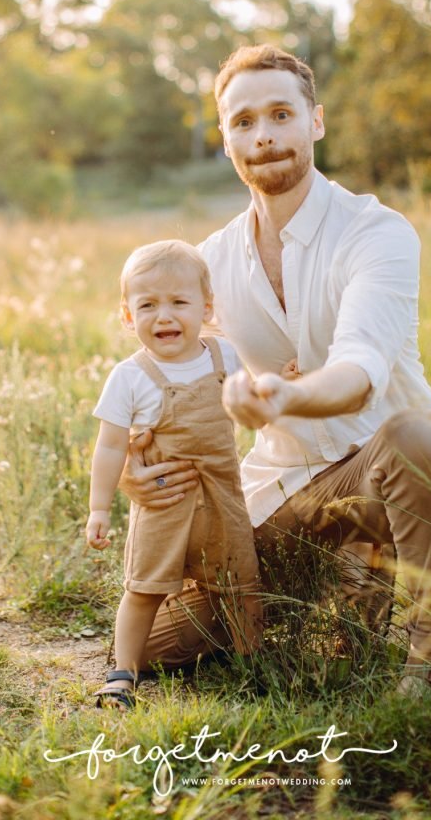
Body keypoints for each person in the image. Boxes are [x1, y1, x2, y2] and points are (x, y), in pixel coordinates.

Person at [120, 44, 431, 702]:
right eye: (243, 122)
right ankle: (338, 585)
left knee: (419, 436)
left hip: (384, 479)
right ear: (226, 138)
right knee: (149, 649)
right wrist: (135, 462)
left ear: (314, 121)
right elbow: (167, 380)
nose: (263, 135)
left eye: (281, 114)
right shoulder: (209, 263)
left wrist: (286, 393)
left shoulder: (376, 234)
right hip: (284, 494)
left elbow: (357, 372)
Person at [86, 239, 262, 709]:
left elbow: (255, 407)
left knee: (240, 582)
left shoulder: (225, 359)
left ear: (206, 309)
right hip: (165, 502)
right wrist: (99, 508)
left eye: (179, 303)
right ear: (127, 317)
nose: (164, 316)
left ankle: (254, 661)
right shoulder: (131, 376)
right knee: (143, 586)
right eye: (147, 305)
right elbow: (109, 446)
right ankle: (123, 673)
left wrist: (281, 384)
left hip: (223, 498)